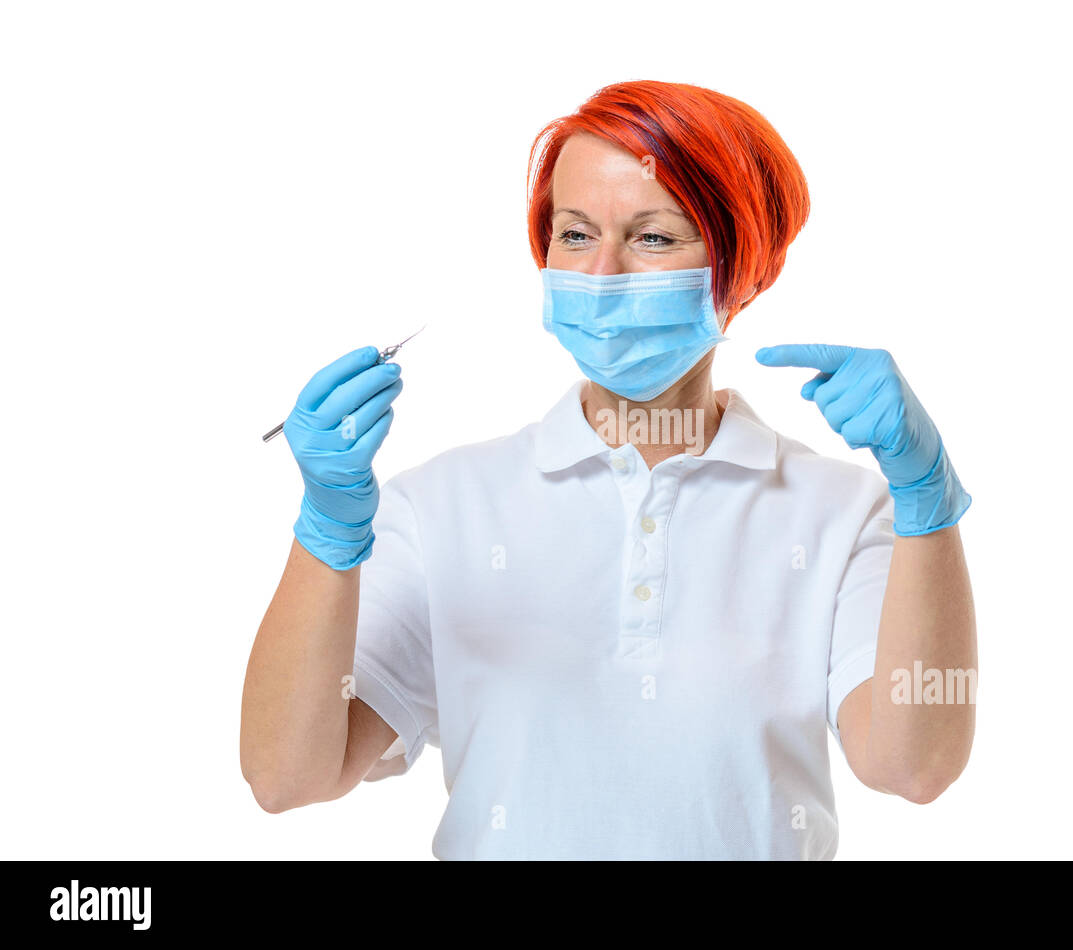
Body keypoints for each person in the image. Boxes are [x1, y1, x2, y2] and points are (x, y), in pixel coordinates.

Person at [240, 80, 977, 860]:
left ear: (740, 268)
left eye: (654, 238)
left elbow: (915, 767)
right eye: (575, 234)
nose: (602, 274)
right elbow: (285, 777)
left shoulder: (843, 511)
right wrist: (327, 533)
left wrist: (925, 501)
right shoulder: (441, 507)